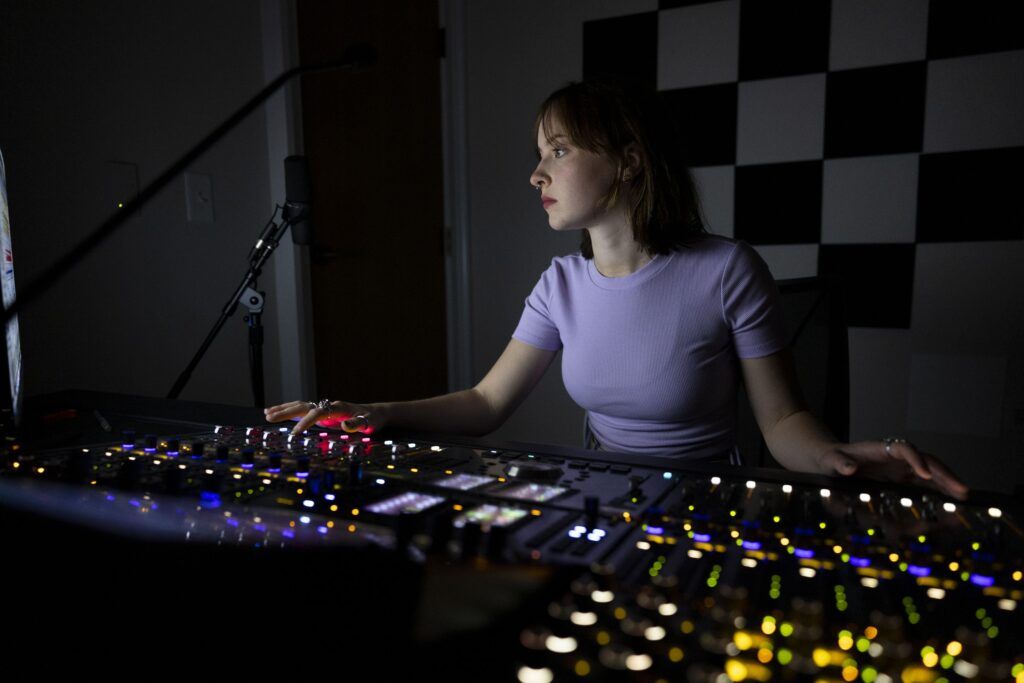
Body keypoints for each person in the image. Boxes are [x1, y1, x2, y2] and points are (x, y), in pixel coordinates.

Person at [265, 80, 968, 501]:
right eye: (540, 155)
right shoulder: (559, 283)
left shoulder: (727, 270)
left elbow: (783, 425)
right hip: (594, 502)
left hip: (703, 505)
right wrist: (373, 410)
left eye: (559, 151)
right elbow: (484, 403)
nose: (537, 175)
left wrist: (842, 455)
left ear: (629, 161)